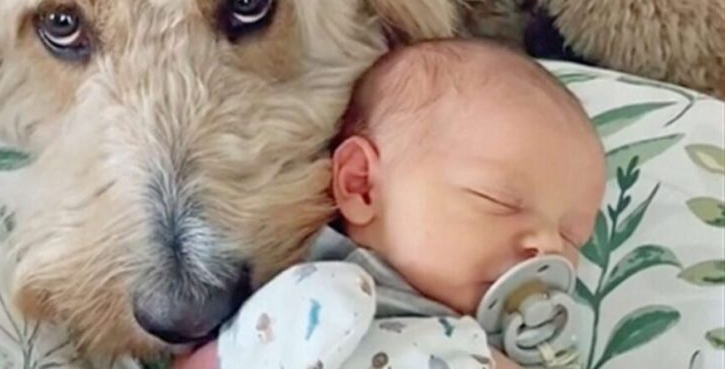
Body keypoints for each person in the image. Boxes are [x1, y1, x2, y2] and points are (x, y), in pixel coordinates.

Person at [173, 39, 607, 369]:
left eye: (573, 236)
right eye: (499, 201)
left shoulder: (514, 350)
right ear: (362, 186)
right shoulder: (308, 298)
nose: (549, 246)